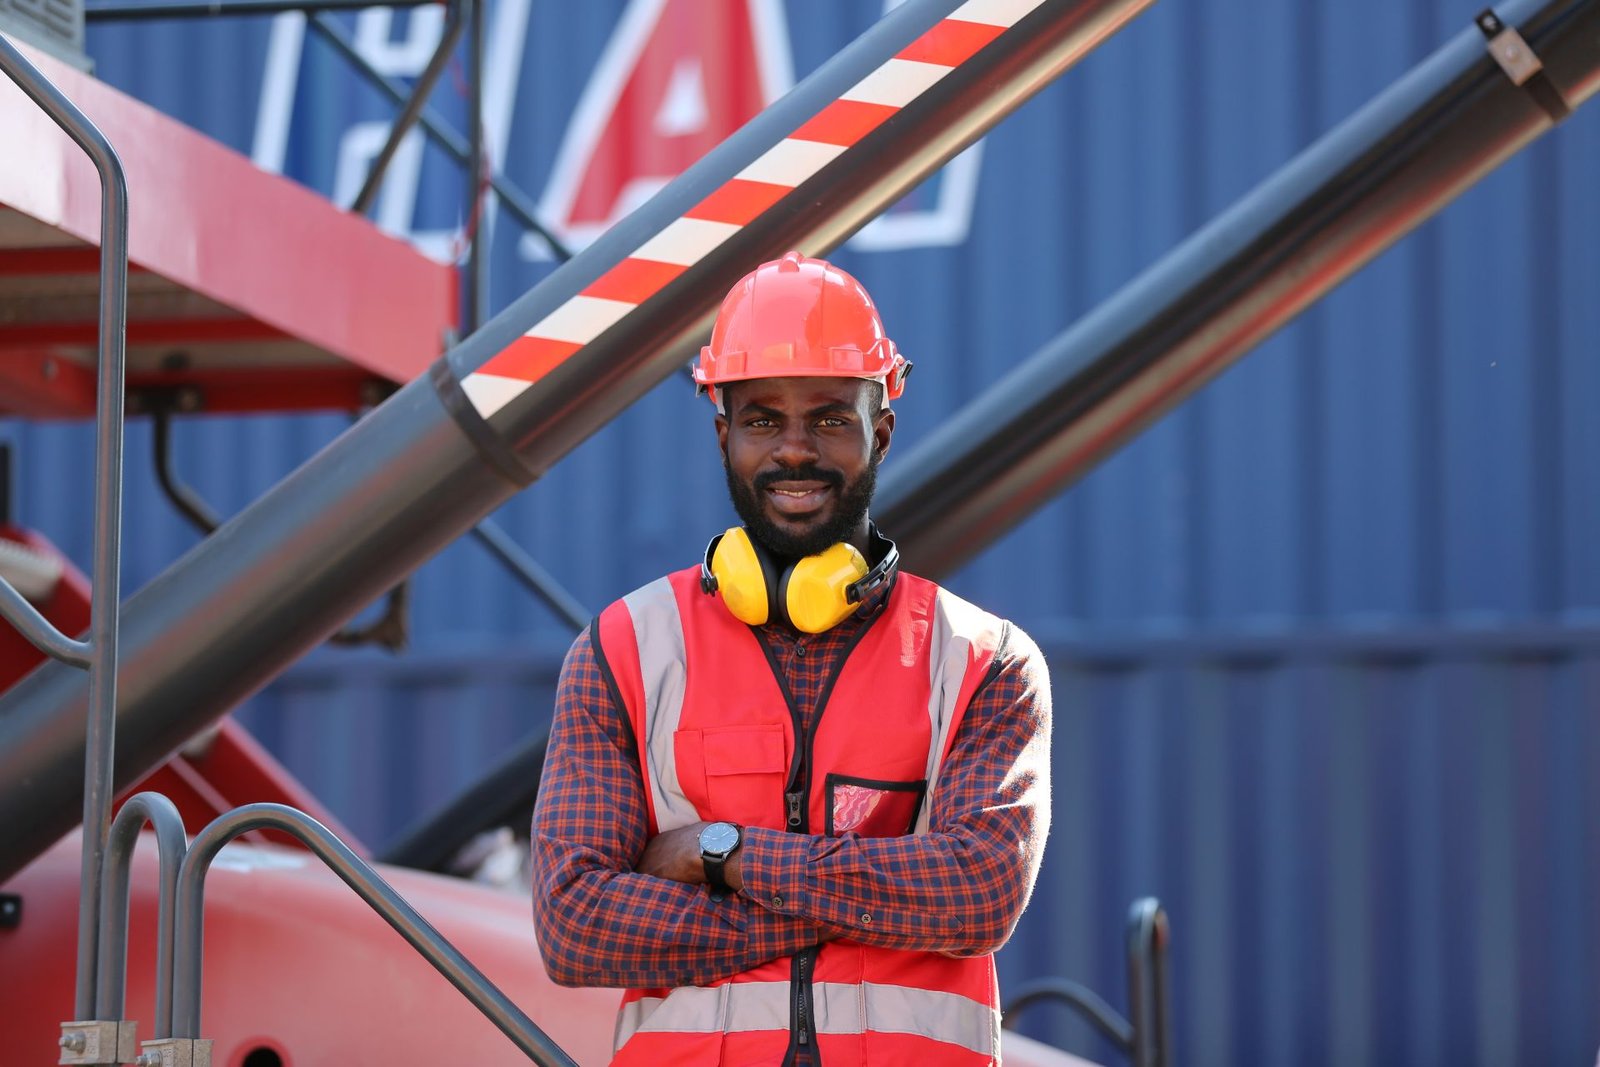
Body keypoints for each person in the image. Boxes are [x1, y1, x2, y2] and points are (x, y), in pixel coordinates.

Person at [531, 251, 1052, 1067]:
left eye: (832, 417)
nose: (796, 450)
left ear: (881, 428)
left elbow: (977, 893)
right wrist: (882, 898)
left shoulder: (985, 661)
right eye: (764, 418)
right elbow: (575, 926)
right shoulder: (623, 651)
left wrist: (725, 854)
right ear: (724, 433)